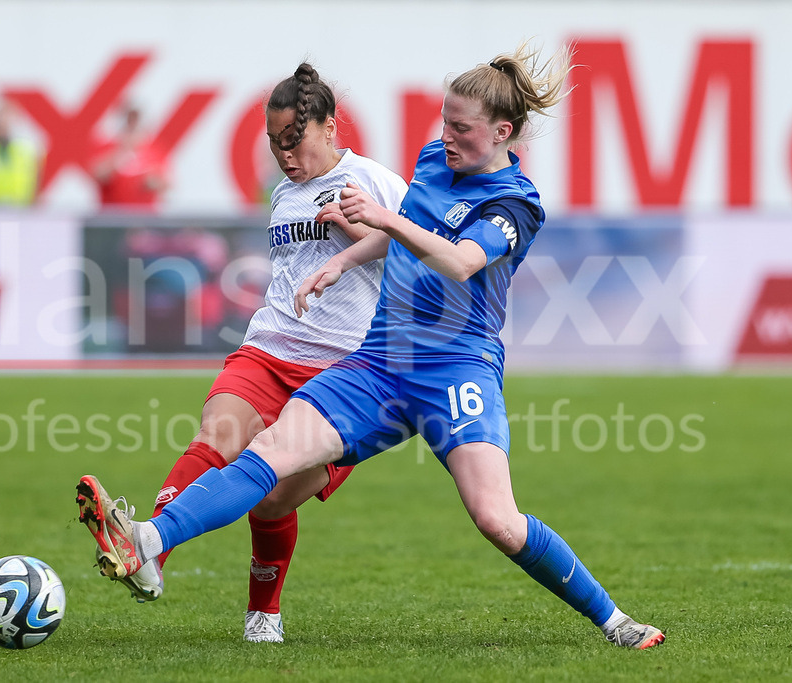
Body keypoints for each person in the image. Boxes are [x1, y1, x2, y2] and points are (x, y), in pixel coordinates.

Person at [77, 42, 666, 650]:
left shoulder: (516, 202)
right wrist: (346, 260)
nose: (447, 136)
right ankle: (150, 540)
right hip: (379, 362)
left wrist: (380, 221)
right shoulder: (436, 159)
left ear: (502, 133)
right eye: (444, 121)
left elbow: (459, 260)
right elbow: (405, 240)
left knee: (496, 519)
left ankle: (614, 621)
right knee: (270, 454)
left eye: (461, 128)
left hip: (455, 370)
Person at [77, 63, 408, 642]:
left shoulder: (375, 182)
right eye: (274, 143)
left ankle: (264, 613)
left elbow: (421, 258)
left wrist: (359, 232)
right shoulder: (284, 193)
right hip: (269, 347)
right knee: (217, 436)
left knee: (273, 496)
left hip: (346, 373)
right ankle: (148, 548)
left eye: (293, 141)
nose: (284, 155)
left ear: (329, 127)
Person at [90, 104, 169, 208]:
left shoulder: (154, 153)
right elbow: (98, 175)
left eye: (135, 125)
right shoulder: (108, 150)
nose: (132, 129)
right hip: (113, 217)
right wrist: (121, 152)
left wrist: (152, 183)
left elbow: (166, 183)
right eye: (129, 125)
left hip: (144, 217)